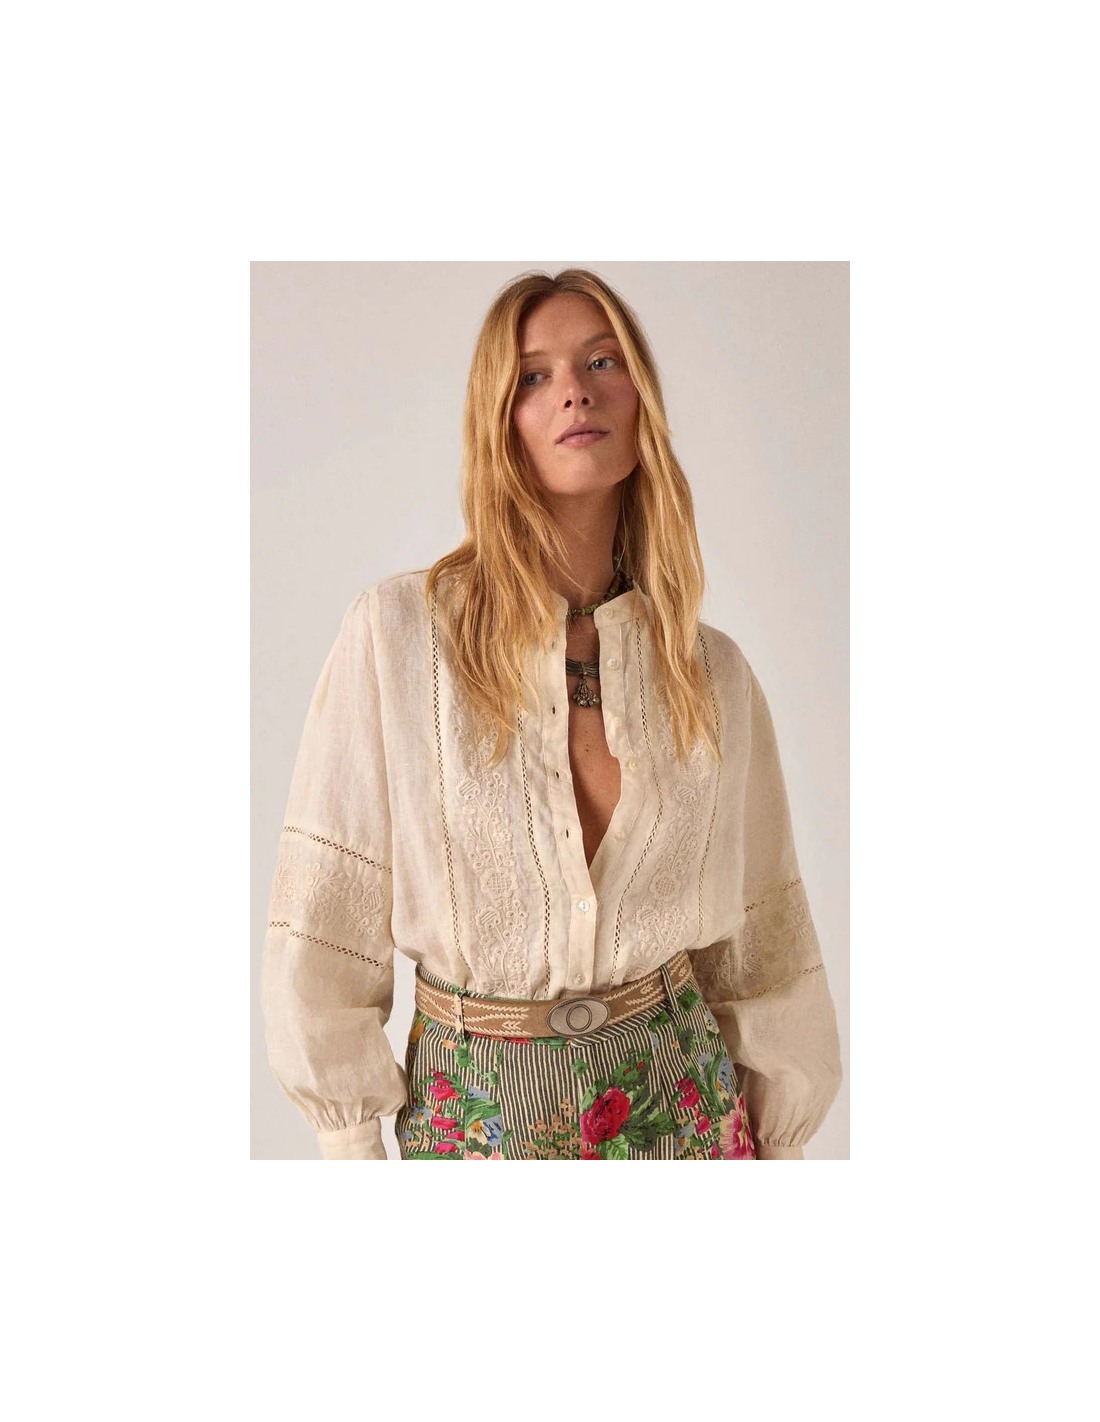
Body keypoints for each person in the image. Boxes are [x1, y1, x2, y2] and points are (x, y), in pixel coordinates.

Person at [261, 267, 843, 1160]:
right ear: (500, 420)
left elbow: (764, 949)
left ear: (643, 400)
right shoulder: (398, 638)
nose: (575, 389)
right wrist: (350, 1147)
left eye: (602, 361)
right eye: (534, 375)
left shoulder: (711, 672)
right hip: (475, 1130)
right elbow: (325, 922)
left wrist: (784, 1145)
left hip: (688, 1116)